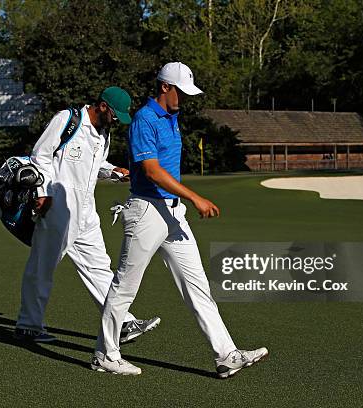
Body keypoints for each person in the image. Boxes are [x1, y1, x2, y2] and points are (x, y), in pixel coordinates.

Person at [92, 64, 268, 378]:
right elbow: (151, 171)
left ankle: (226, 355)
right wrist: (195, 197)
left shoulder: (172, 118)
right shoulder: (145, 120)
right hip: (146, 211)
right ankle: (105, 354)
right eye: (180, 92)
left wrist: (183, 202)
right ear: (164, 87)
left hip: (172, 214)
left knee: (197, 285)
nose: (184, 99)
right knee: (125, 286)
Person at [15, 86, 160, 343]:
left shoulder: (103, 134)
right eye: (115, 115)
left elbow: (94, 166)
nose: (116, 121)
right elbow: (41, 155)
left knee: (100, 266)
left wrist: (112, 171)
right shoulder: (67, 120)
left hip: (86, 210)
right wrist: (41, 192)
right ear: (103, 106)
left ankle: (122, 323)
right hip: (57, 204)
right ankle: (29, 324)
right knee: (43, 266)